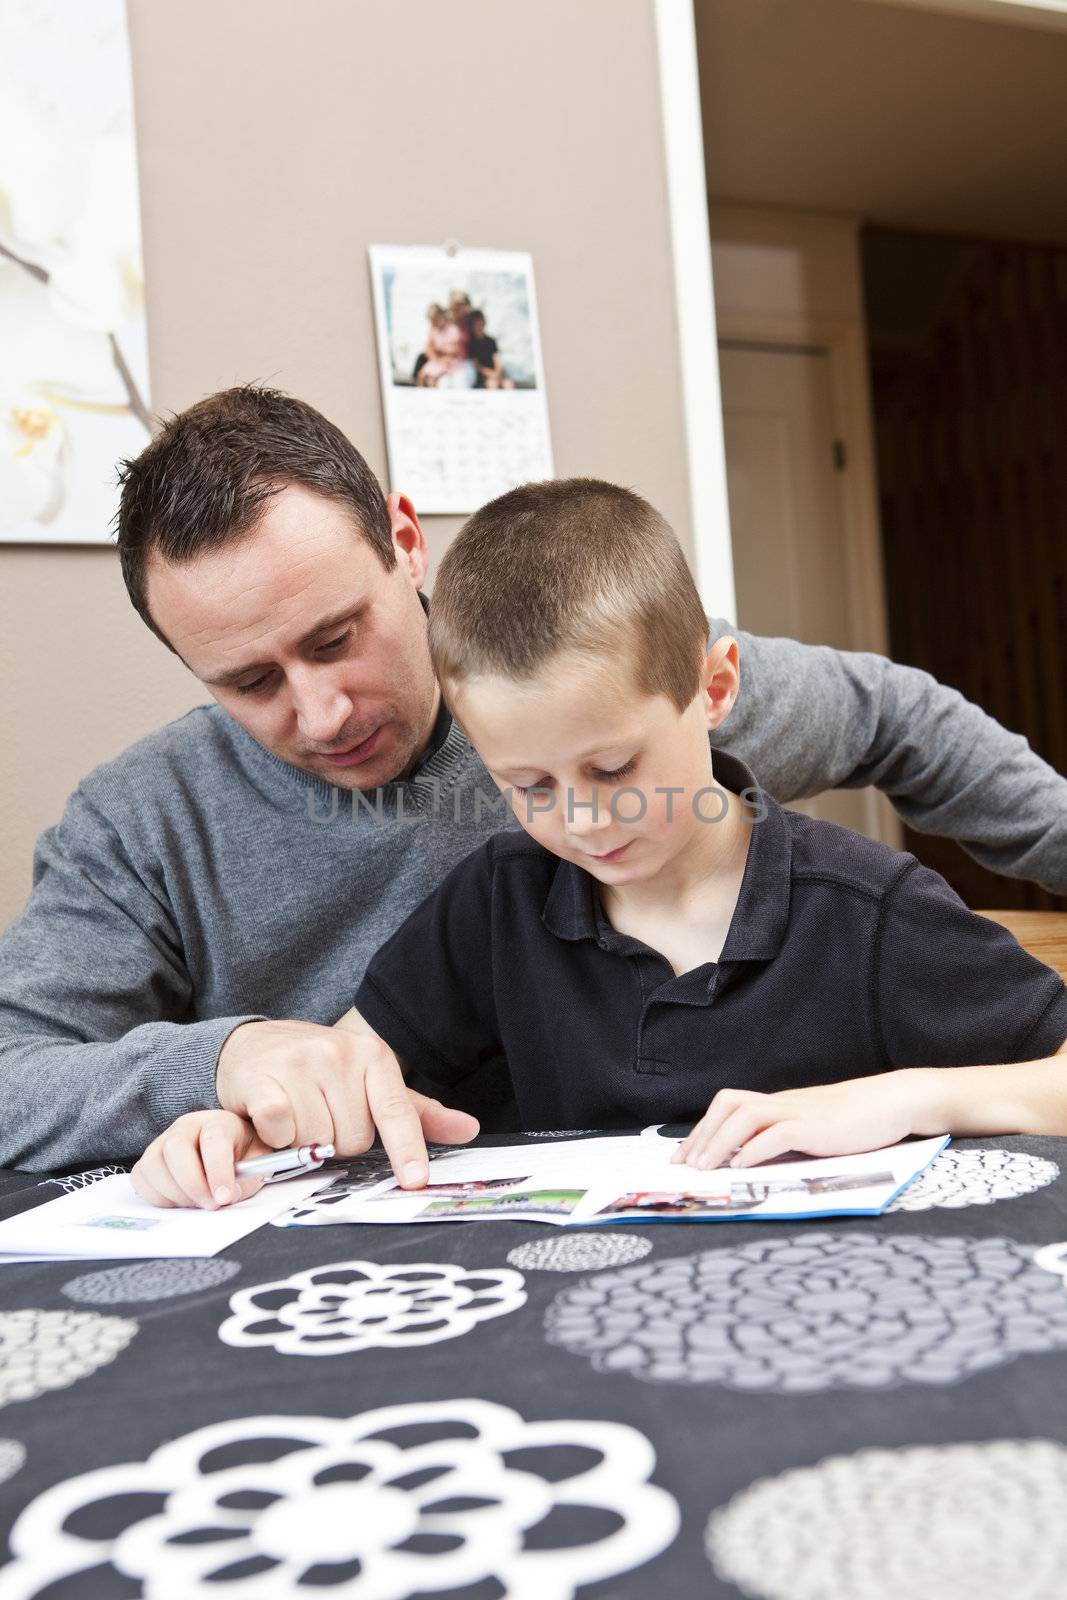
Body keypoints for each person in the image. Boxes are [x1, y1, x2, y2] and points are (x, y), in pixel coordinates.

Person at [2, 387, 1065, 1192]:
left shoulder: (602, 679)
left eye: (336, 639)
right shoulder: (141, 821)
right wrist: (223, 1062)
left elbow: (894, 718)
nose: (321, 711)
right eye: (250, 681)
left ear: (404, 544)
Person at [468, 309, 513, 390]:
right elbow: (477, 366)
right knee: (493, 384)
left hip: (496, 374)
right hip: (482, 377)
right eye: (476, 324)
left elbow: (497, 359)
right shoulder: (471, 343)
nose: (479, 326)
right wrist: (492, 374)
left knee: (508, 384)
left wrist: (497, 373)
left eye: (481, 323)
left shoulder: (491, 341)